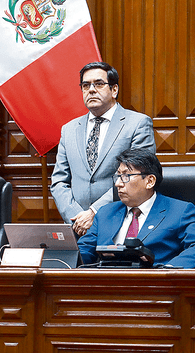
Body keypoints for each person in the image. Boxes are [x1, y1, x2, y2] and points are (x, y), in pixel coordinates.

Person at [51, 61, 156, 237]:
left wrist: (94, 212)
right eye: (85, 85)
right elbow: (59, 181)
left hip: (120, 221)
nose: (91, 90)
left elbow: (136, 176)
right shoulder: (68, 129)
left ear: (114, 90)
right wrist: (76, 217)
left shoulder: (137, 124)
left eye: (98, 84)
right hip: (77, 226)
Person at [78, 148, 195, 268]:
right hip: (105, 286)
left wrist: (167, 269)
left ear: (149, 181)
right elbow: (83, 251)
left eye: (126, 176)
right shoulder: (105, 212)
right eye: (118, 176)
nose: (118, 184)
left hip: (154, 287)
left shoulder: (180, 211)